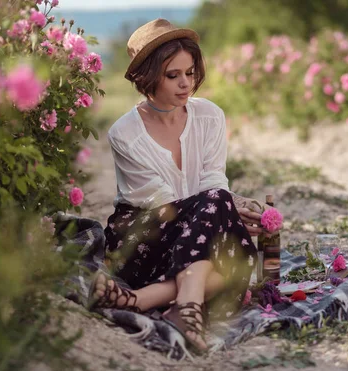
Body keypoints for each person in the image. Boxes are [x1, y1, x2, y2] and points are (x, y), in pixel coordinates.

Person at [87, 18, 278, 353]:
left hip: (196, 234)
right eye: (172, 75)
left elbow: (213, 182)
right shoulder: (125, 133)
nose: (186, 83)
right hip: (144, 240)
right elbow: (165, 203)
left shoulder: (210, 116)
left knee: (236, 248)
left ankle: (143, 301)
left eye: (190, 73)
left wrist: (233, 209)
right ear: (147, 76)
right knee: (229, 242)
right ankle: (184, 303)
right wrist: (227, 213)